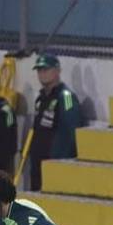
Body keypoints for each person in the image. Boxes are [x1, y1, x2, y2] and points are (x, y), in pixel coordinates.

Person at [28, 54, 83, 191]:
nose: (42, 74)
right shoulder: (41, 98)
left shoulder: (66, 97)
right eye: (39, 70)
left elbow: (72, 130)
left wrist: (62, 160)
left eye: (46, 70)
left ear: (57, 70)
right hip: (38, 161)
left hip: (55, 162)